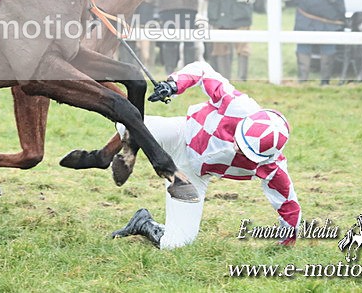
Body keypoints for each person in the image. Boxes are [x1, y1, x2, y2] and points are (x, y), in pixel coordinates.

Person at [110, 60, 300, 249]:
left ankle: (143, 223)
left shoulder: (273, 168)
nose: (237, 148)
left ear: (265, 157)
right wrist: (174, 85)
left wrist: (286, 242)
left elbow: (289, 205)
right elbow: (202, 70)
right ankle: (120, 156)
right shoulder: (238, 105)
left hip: (192, 176)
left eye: (246, 151)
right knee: (124, 123)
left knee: (176, 245)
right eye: (240, 140)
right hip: (180, 135)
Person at [153, 0, 201, 71]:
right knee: (170, 40)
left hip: (187, 5)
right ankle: (170, 71)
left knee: (188, 40)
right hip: (168, 5)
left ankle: (189, 71)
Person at [206, 0, 253, 81]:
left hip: (239, 8)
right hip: (218, 9)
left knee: (242, 47)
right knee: (219, 48)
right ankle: (224, 80)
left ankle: (242, 80)